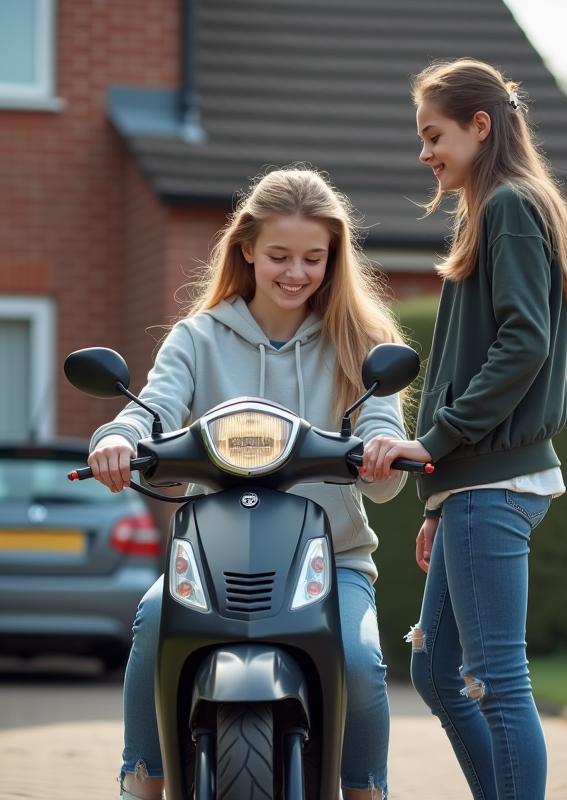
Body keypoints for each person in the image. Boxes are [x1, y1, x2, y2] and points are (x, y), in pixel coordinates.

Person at [87, 166, 410, 800]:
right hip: (210, 560)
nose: (296, 272)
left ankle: (366, 792)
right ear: (247, 251)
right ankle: (143, 783)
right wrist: (117, 440)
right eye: (280, 256)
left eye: (314, 258)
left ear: (334, 259)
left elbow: (381, 441)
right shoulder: (198, 337)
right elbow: (151, 408)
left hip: (331, 558)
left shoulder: (361, 341)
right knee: (153, 617)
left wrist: (383, 451)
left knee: (363, 664)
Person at [361, 59, 567, 800]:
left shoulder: (508, 206)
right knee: (436, 670)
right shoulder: (491, 207)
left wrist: (434, 443)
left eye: (434, 135)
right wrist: (439, 494)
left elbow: (523, 343)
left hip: (494, 481)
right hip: (472, 485)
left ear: (480, 127)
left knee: (495, 678)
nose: (425, 152)